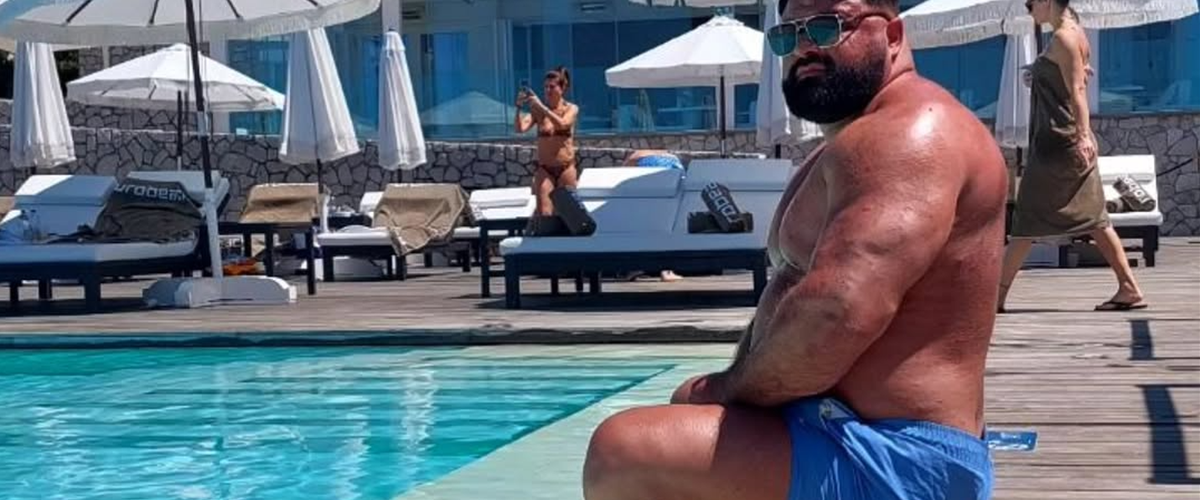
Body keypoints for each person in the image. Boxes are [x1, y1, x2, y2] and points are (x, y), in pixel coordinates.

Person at [582, 0, 1008, 499]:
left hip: (898, 459)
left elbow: (837, 310)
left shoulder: (911, 132)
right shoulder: (852, 141)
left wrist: (730, 387)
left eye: (828, 26)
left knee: (622, 451)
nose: (804, 46)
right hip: (846, 431)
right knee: (682, 409)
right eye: (788, 35)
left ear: (893, 35)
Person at [999, 0, 1147, 312]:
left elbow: (1078, 90)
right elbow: (1071, 79)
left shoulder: (1064, 37)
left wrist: (1082, 135)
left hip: (1058, 143)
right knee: (1095, 219)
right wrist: (1036, 75)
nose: (1029, 9)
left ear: (1046, 2)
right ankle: (1129, 287)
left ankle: (994, 299)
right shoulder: (1074, 33)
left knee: (1026, 222)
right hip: (1065, 141)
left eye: (1030, 4)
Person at [515, 67, 580, 217]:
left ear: (562, 88)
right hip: (545, 169)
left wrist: (542, 107)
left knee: (567, 215)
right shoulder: (538, 111)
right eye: (545, 87)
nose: (547, 90)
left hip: (565, 167)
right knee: (545, 213)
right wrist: (518, 108)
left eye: (552, 87)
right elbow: (520, 128)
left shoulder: (571, 108)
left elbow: (563, 124)